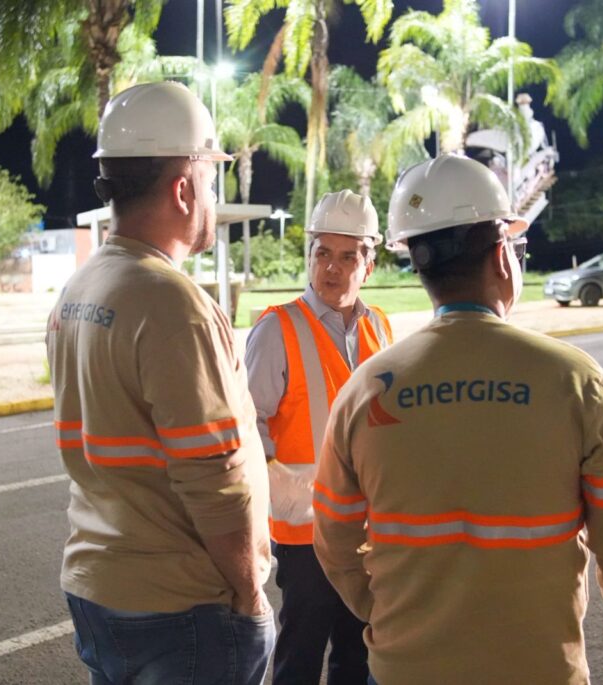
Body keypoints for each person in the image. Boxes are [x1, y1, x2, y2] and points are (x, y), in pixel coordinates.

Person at [313, 154, 603, 685]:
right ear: (503, 257)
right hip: (540, 669)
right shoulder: (572, 379)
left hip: (403, 668)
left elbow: (334, 538)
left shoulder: (365, 389)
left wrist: (383, 609)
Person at [46, 81, 274, 685]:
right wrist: (250, 593)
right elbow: (215, 478)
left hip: (100, 586)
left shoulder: (81, 289)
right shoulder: (174, 305)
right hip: (181, 606)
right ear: (182, 186)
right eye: (209, 176)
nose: (212, 194)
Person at [245, 190, 393, 684]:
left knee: (359, 654)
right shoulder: (277, 329)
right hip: (304, 529)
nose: (332, 267)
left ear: (368, 264)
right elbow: (250, 425)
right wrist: (278, 490)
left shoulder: (380, 329)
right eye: (322, 253)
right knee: (300, 657)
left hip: (367, 530)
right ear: (308, 258)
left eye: (347, 255)